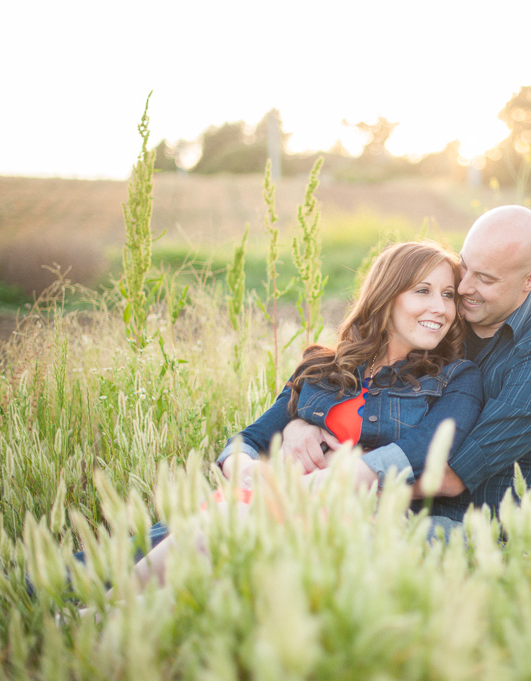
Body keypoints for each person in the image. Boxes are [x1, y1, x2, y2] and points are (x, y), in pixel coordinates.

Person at [135, 241, 483, 584]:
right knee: (207, 528)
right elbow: (251, 438)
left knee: (226, 524)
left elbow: (424, 449)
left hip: (360, 521)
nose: (440, 308)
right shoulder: (321, 368)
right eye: (423, 291)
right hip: (275, 501)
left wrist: (317, 480)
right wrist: (250, 471)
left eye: (448, 295)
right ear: (386, 294)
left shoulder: (457, 378)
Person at [223, 205, 531, 527]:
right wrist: (297, 424)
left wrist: (329, 478)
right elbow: (258, 436)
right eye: (465, 268)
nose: (462, 289)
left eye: (485, 279)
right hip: (368, 509)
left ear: (530, 280)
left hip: (478, 528)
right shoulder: (442, 330)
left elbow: (447, 475)